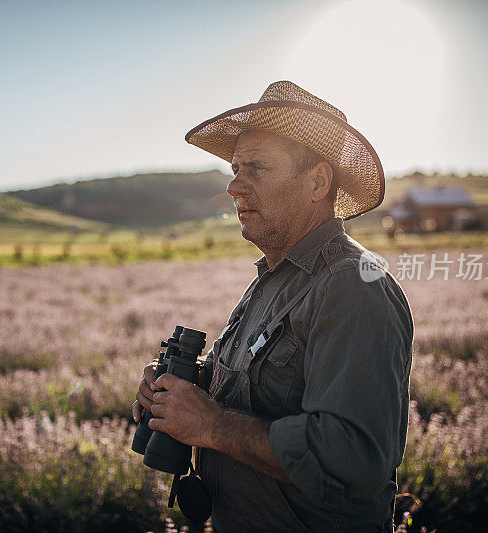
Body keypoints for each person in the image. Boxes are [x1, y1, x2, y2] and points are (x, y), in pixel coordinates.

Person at [132, 81, 414, 532]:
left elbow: (352, 460)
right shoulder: (272, 280)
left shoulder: (353, 286)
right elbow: (265, 391)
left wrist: (209, 424)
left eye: (256, 168)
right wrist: (182, 391)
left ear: (319, 181)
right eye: (235, 168)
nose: (233, 186)